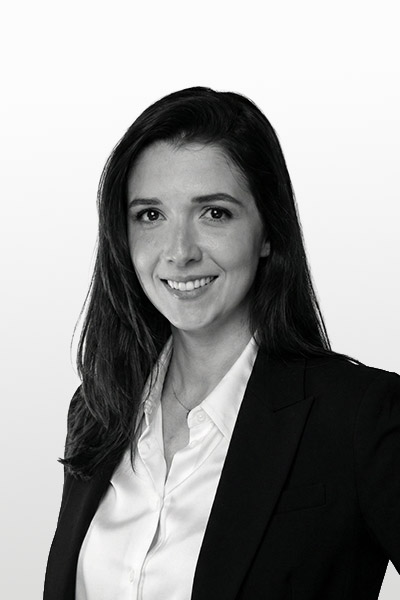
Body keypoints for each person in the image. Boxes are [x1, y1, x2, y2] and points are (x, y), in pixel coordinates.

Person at [43, 87, 400, 600]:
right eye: (150, 215)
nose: (179, 252)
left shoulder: (356, 416)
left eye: (214, 213)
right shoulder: (99, 406)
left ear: (268, 232)